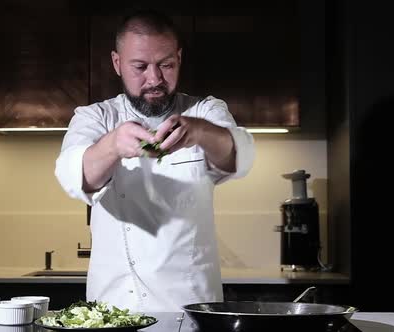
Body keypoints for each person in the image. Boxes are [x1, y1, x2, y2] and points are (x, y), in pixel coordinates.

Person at [54, 9, 255, 312]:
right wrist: (112, 145)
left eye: (166, 65)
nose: (155, 78)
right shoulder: (95, 117)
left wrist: (199, 132)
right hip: (116, 308)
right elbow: (74, 175)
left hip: (191, 309)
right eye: (140, 66)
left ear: (179, 58)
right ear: (117, 63)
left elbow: (239, 157)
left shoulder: (206, 111)